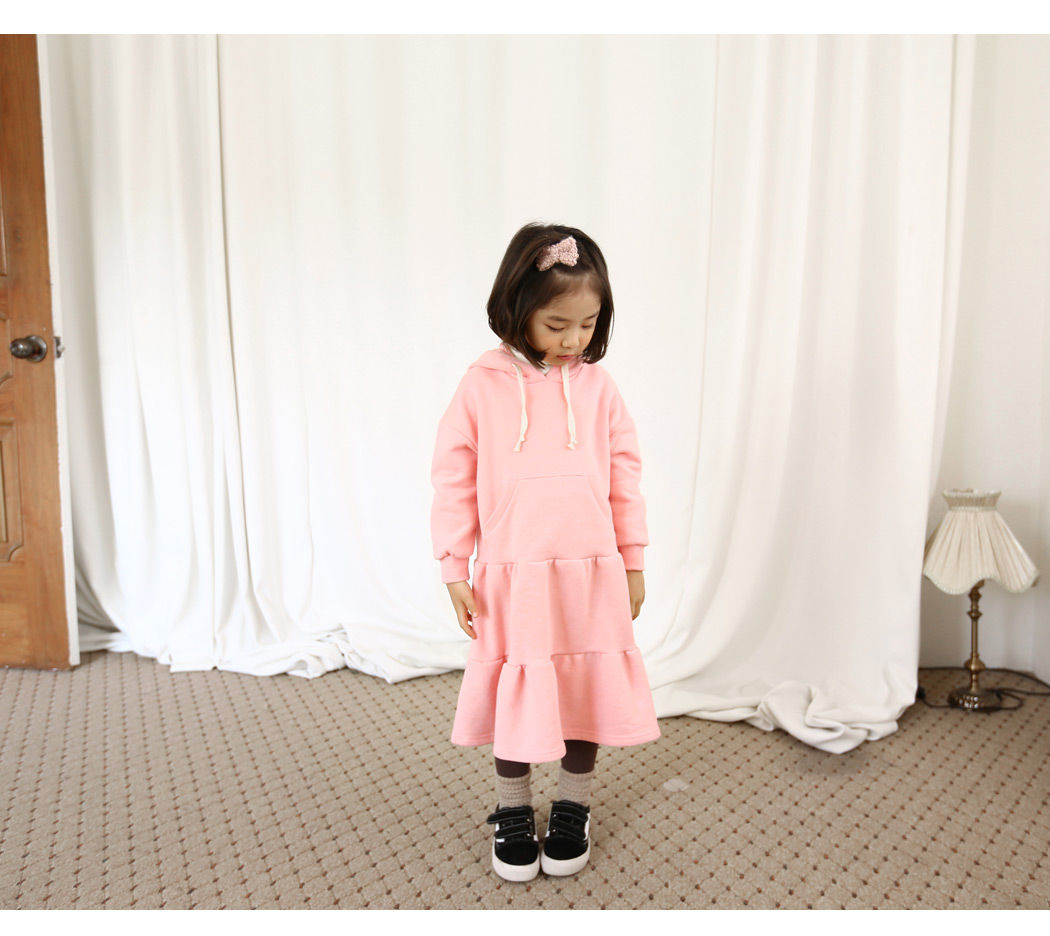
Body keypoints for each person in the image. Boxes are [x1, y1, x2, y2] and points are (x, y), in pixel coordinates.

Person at [430, 222, 660, 882]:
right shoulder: (481, 385)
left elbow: (625, 476)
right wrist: (453, 566)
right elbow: (452, 476)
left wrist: (633, 560)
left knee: (584, 687)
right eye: (557, 324)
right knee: (518, 687)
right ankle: (512, 809)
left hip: (592, 570)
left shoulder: (599, 388)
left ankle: (572, 807)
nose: (573, 340)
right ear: (518, 306)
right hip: (514, 572)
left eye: (587, 324)